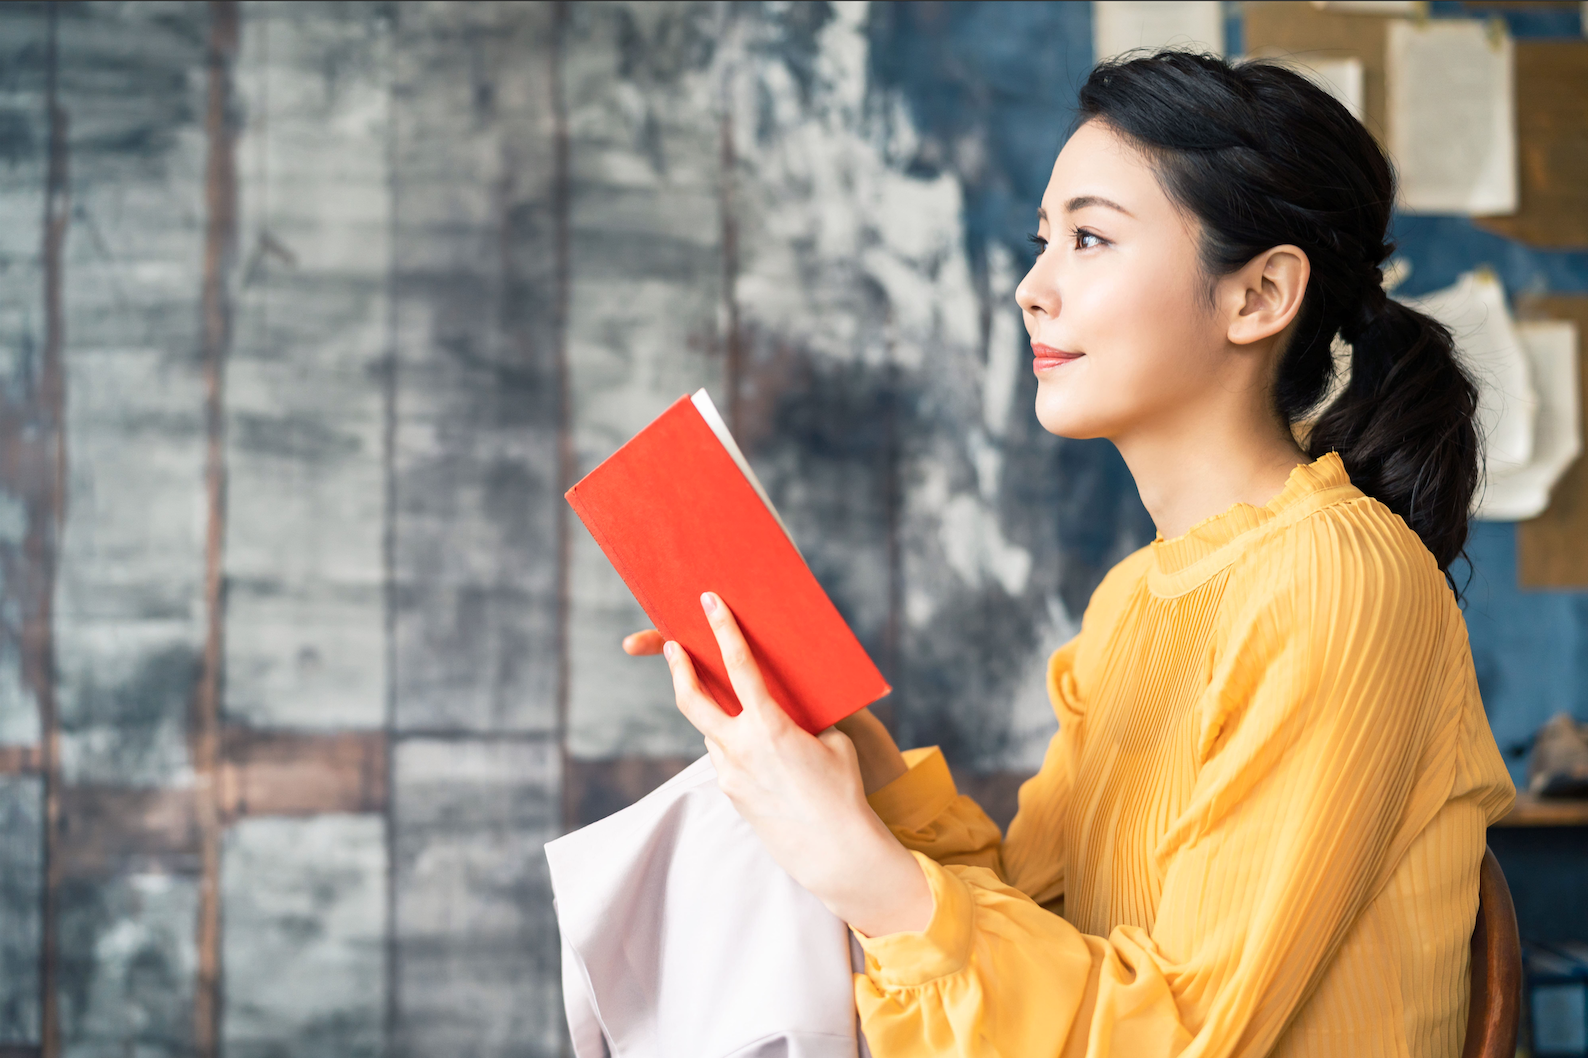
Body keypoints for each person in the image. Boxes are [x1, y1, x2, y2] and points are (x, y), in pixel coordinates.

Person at [622, 51, 1514, 1058]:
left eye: (1090, 238)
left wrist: (853, 863)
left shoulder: (1340, 580)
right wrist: (854, 753)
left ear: (1259, 294)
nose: (1032, 289)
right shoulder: (1134, 601)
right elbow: (1043, 931)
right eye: (1043, 239)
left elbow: (1181, 1035)